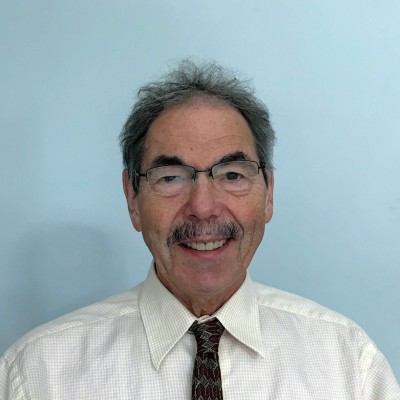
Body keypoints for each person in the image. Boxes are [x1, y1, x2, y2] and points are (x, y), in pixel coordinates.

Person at [1, 60, 399, 399]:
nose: (203, 207)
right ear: (132, 199)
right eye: (171, 177)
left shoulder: (348, 364)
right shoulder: (40, 375)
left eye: (232, 174)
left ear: (269, 193)